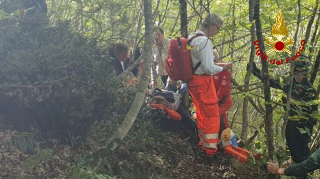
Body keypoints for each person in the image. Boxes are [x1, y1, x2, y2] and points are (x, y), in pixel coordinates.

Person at [250, 57, 318, 178]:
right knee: (295, 155)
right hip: (290, 126)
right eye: (295, 72)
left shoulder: (309, 91)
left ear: (305, 73)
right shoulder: (288, 83)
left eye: (300, 72)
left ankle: (305, 176)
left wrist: (306, 134)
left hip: (301, 129)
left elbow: (313, 116)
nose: (297, 75)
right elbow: (271, 81)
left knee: (301, 157)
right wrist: (255, 71)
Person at [187, 13, 232, 156]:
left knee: (201, 113)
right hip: (203, 81)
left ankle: (203, 143)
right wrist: (223, 68)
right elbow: (208, 68)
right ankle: (209, 150)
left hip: (193, 81)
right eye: (218, 28)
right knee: (212, 115)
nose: (217, 32)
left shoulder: (191, 38)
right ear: (211, 25)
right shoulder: (204, 41)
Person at [212, 50, 232, 135]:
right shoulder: (210, 70)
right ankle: (227, 139)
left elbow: (223, 89)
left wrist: (215, 100)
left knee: (214, 115)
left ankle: (226, 139)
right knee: (223, 119)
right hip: (216, 100)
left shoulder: (224, 71)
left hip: (224, 101)